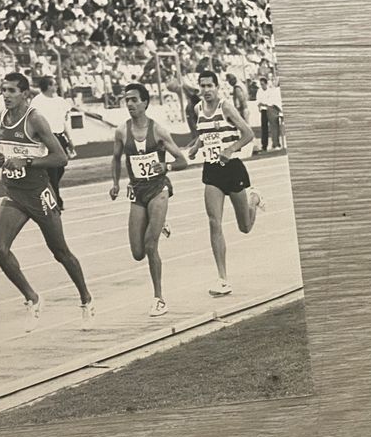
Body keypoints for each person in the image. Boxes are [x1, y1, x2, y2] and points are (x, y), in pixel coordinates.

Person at [0, 72, 95, 332]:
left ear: (25, 93)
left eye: (12, 90)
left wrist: (27, 162)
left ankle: (86, 299)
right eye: (3, 90)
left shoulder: (35, 119)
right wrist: (0, 159)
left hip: (38, 194)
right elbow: (8, 151)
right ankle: (32, 298)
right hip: (14, 193)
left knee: (60, 252)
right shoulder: (2, 117)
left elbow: (60, 158)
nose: (6, 95)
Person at [109, 84, 189, 316]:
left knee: (150, 245)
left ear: (145, 102)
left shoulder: (159, 131)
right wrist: (115, 183)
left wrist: (167, 166)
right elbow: (115, 159)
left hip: (158, 189)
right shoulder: (122, 132)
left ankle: (159, 298)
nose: (130, 104)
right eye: (127, 100)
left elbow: (182, 160)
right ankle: (159, 221)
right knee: (137, 252)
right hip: (137, 190)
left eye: (134, 100)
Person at [188, 71, 264, 297]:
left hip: (232, 169)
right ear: (199, 88)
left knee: (245, 227)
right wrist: (195, 147)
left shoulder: (226, 107)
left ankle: (254, 199)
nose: (206, 90)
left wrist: (230, 150)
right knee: (214, 222)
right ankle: (222, 279)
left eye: (210, 85)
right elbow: (205, 133)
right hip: (212, 170)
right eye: (202, 86)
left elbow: (248, 134)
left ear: (217, 87)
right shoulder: (197, 109)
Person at [30, 76, 77, 211]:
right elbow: (34, 121)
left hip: (60, 136)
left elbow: (63, 121)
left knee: (61, 167)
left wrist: (70, 140)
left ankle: (50, 192)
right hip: (47, 138)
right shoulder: (37, 101)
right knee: (53, 171)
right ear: (48, 86)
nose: (56, 87)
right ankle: (56, 201)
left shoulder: (59, 101)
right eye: (54, 84)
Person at [255, 76, 282, 151]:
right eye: (261, 84)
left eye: (263, 84)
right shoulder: (259, 91)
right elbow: (259, 102)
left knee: (274, 126)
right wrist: (263, 104)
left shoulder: (270, 91)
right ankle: (264, 145)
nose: (262, 86)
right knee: (264, 128)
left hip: (270, 109)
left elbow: (270, 102)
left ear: (266, 84)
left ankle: (276, 143)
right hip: (264, 110)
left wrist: (265, 104)